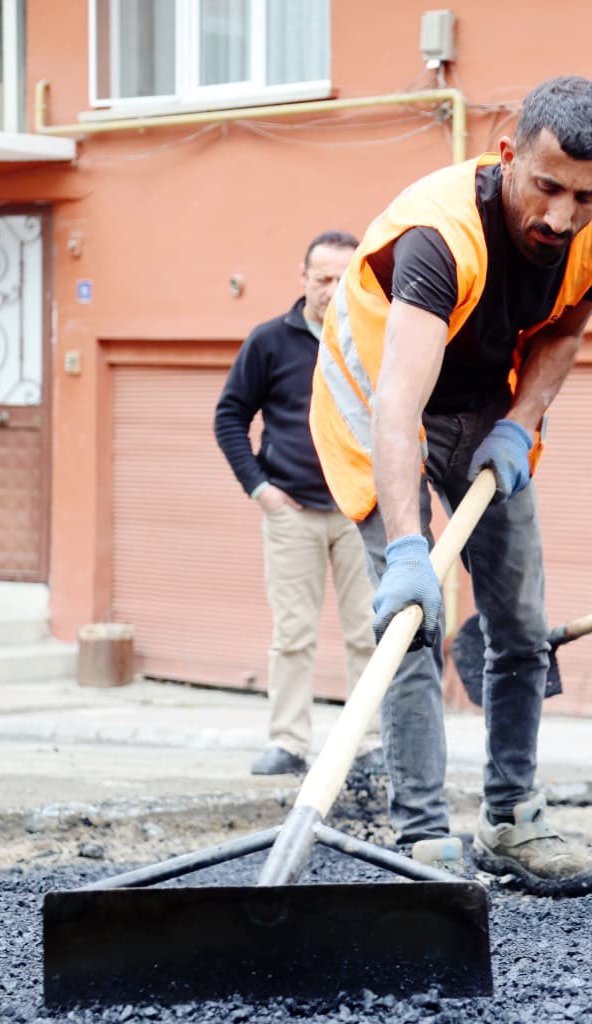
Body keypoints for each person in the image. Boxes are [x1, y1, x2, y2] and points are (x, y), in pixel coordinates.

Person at [310, 76, 592, 894]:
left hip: (491, 408)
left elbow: (565, 329)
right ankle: (422, 840)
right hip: (383, 409)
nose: (563, 217)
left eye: (587, 196)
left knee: (521, 628)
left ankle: (512, 820)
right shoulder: (437, 236)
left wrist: (520, 421)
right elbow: (398, 402)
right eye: (547, 187)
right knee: (411, 622)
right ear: (506, 158)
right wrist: (404, 548)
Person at [215, 230, 379, 777]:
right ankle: (288, 742)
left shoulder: (374, 338)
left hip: (361, 512)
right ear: (302, 277)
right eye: (322, 278)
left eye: (342, 278)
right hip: (293, 514)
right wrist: (262, 491)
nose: (333, 290)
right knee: (293, 635)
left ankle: (369, 746)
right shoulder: (269, 342)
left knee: (368, 633)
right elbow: (229, 418)